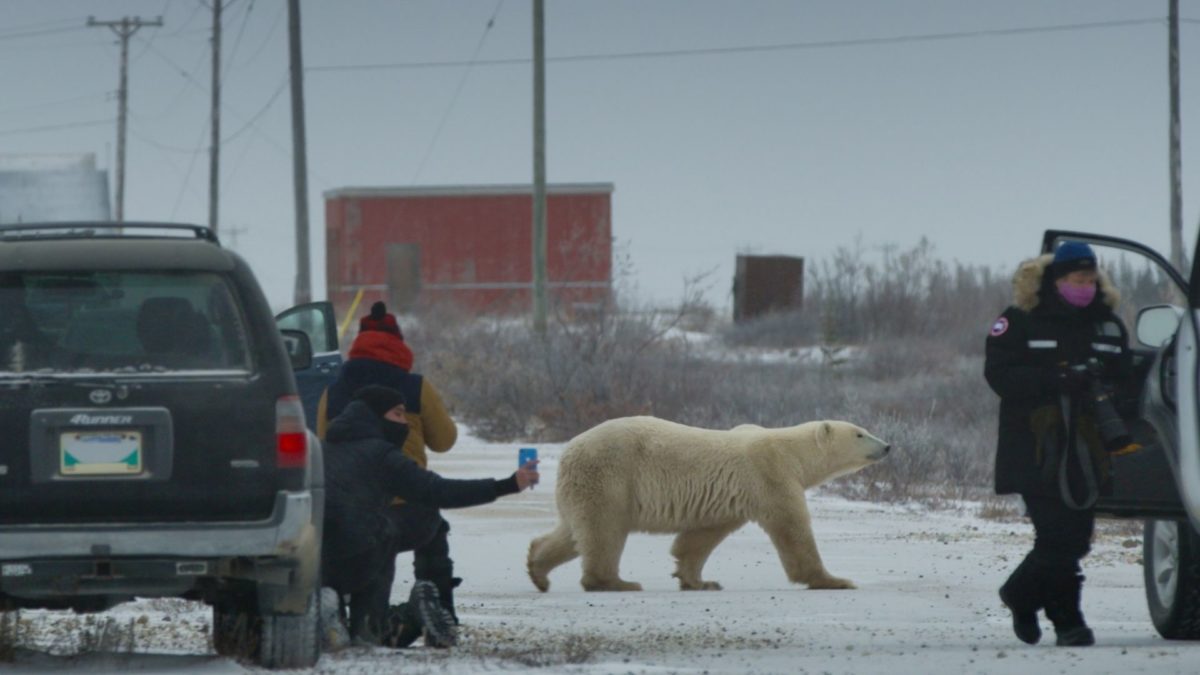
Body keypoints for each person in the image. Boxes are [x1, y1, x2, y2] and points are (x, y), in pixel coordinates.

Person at [984, 241, 1134, 647]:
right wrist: (1056, 381)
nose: (1084, 286)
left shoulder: (1107, 324)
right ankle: (1069, 622)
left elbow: (1126, 377)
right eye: (1076, 279)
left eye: (1090, 279)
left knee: (1076, 539)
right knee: (1057, 536)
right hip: (1034, 448)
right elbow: (999, 375)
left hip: (1086, 450)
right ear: (1056, 279)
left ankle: (1021, 594)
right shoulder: (1021, 319)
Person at [321, 384, 539, 646]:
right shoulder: (382, 455)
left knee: (365, 532)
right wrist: (508, 485)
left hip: (315, 559)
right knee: (384, 531)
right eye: (398, 414)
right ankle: (371, 626)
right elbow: (438, 491)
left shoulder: (320, 450)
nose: (405, 422)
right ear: (375, 415)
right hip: (361, 554)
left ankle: (329, 615)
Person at [316, 301, 463, 641]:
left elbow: (325, 444)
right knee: (433, 524)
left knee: (355, 546)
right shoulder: (415, 387)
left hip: (349, 518)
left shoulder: (333, 391)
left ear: (358, 343)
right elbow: (445, 441)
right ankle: (439, 607)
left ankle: (340, 612)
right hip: (409, 515)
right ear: (399, 343)